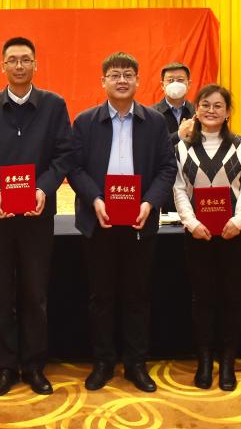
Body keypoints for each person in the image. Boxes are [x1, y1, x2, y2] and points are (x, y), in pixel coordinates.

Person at [0, 36, 73, 396]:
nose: (19, 65)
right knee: (0, 294)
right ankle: (6, 367)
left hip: (38, 214)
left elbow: (64, 155)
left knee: (35, 293)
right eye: (12, 60)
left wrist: (43, 188)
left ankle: (34, 365)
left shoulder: (54, 106)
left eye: (26, 59)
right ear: (2, 66)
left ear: (36, 64)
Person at [68, 52, 177, 393]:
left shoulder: (155, 122)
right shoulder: (85, 121)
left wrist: (149, 202)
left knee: (137, 296)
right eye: (114, 74)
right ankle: (103, 362)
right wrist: (95, 199)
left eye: (128, 74)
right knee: (101, 296)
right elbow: (74, 167)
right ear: (103, 81)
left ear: (138, 81)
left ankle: (135, 363)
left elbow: (167, 168)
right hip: (98, 220)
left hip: (139, 221)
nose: (121, 80)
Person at [172, 84, 241, 392]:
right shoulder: (182, 148)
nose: (211, 110)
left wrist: (239, 219)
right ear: (196, 109)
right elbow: (179, 189)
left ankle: (228, 361)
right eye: (205, 105)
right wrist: (191, 222)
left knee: (232, 298)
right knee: (202, 299)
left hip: (234, 233)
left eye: (218, 105)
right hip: (198, 235)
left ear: (228, 111)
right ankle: (205, 361)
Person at [152, 62, 195, 145]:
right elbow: (151, 145)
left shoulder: (197, 112)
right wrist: (179, 134)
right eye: (170, 80)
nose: (175, 84)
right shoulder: (151, 114)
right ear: (162, 85)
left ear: (189, 84)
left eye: (180, 80)